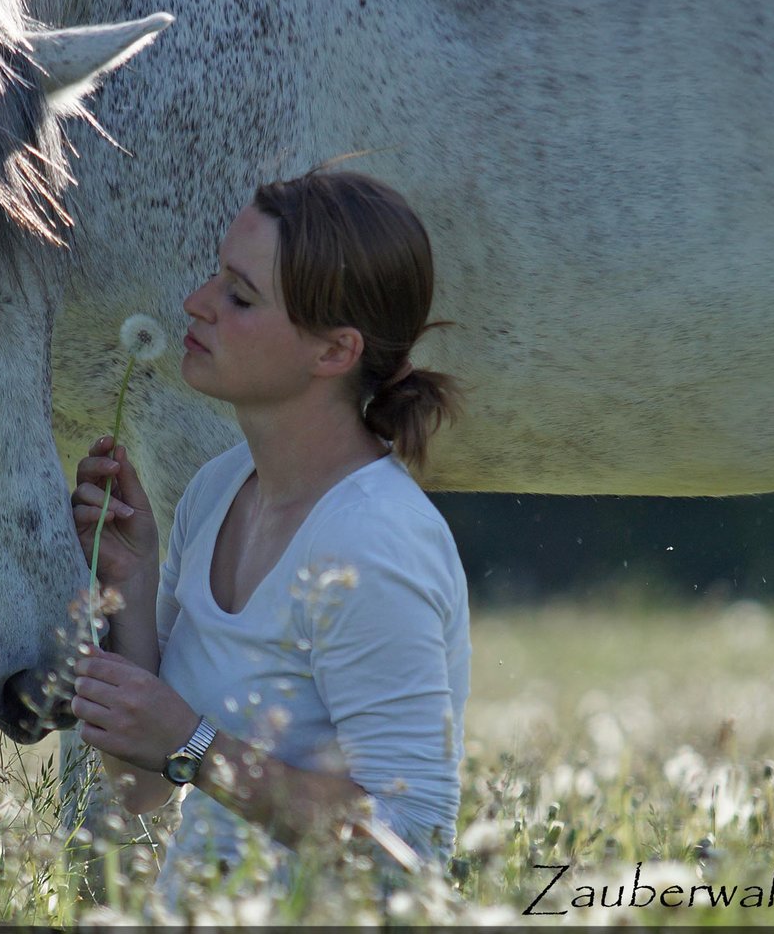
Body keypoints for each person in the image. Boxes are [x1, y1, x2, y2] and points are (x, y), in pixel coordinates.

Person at [67, 166, 472, 900]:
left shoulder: (373, 544)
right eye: (215, 277)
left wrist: (192, 743)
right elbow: (145, 784)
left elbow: (409, 845)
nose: (196, 304)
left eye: (239, 296)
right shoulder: (217, 490)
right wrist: (126, 580)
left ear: (332, 353)